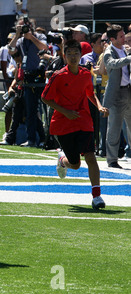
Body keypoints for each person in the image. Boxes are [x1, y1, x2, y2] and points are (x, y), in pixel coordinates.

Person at [41, 39, 109, 210]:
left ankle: (97, 196)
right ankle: (62, 161)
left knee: (91, 157)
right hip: (63, 125)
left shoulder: (86, 74)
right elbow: (45, 98)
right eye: (69, 53)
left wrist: (99, 106)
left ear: (80, 55)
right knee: (76, 164)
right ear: (64, 56)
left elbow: (90, 93)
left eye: (76, 53)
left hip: (84, 121)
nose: (73, 57)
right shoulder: (58, 76)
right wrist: (65, 112)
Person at [8, 16, 48, 148]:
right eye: (20, 27)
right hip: (28, 77)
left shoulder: (39, 37)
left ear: (31, 27)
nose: (24, 29)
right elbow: (11, 50)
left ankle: (46, 139)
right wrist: (17, 34)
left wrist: (32, 37)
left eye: (25, 27)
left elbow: (44, 47)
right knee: (30, 111)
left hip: (40, 75)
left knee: (44, 110)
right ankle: (32, 140)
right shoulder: (20, 40)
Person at [102, 24, 131, 169]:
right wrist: (128, 59)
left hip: (128, 91)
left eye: (123, 34)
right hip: (116, 94)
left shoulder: (123, 49)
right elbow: (111, 64)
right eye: (120, 36)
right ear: (112, 39)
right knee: (114, 128)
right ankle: (112, 160)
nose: (124, 37)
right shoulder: (109, 51)